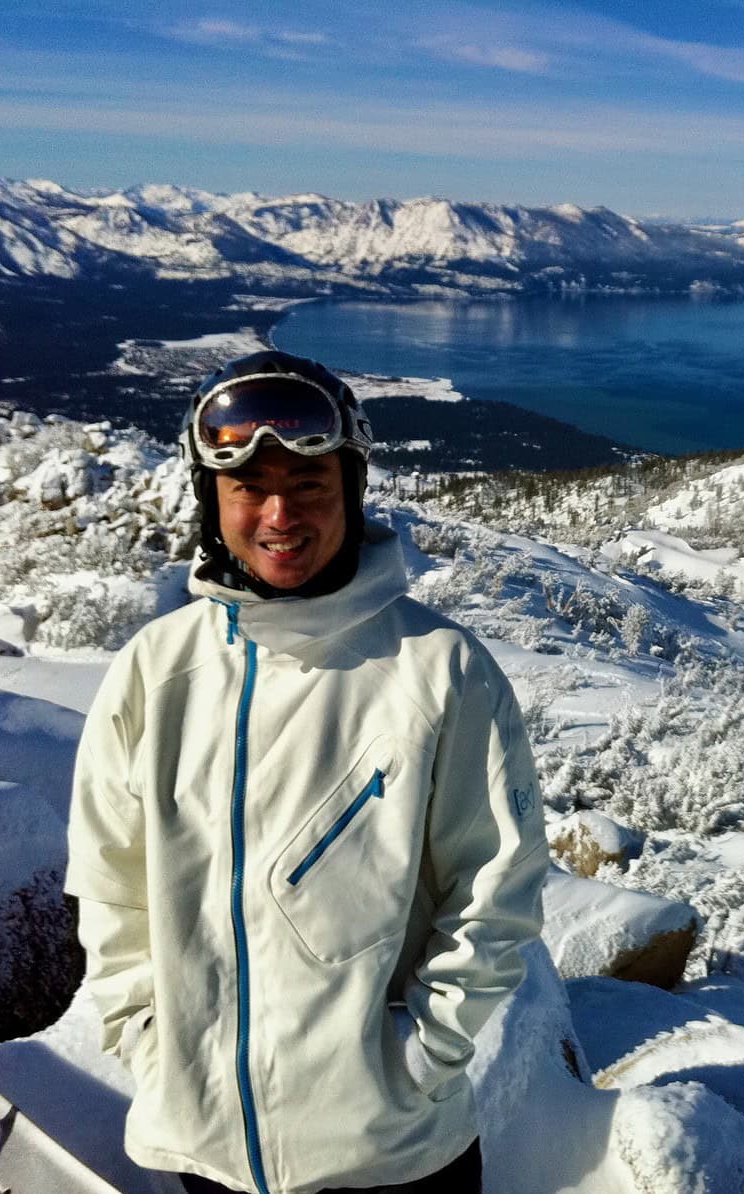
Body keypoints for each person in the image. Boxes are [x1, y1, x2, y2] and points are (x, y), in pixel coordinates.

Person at [64, 350, 548, 1193]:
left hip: (394, 1154)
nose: (279, 512)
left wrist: (420, 1058)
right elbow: (112, 884)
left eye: (310, 483)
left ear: (351, 490)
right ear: (213, 501)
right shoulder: (156, 671)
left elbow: (495, 885)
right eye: (249, 488)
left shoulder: (438, 670)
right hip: (207, 1145)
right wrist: (147, 1037)